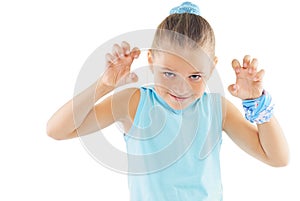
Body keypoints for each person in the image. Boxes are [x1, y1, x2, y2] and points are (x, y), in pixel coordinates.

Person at [47, 2, 289, 200]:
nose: (181, 88)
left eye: (195, 76)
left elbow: (277, 158)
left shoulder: (217, 109)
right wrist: (104, 86)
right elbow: (56, 130)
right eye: (169, 74)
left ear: (212, 67)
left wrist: (256, 101)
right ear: (151, 60)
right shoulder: (133, 103)